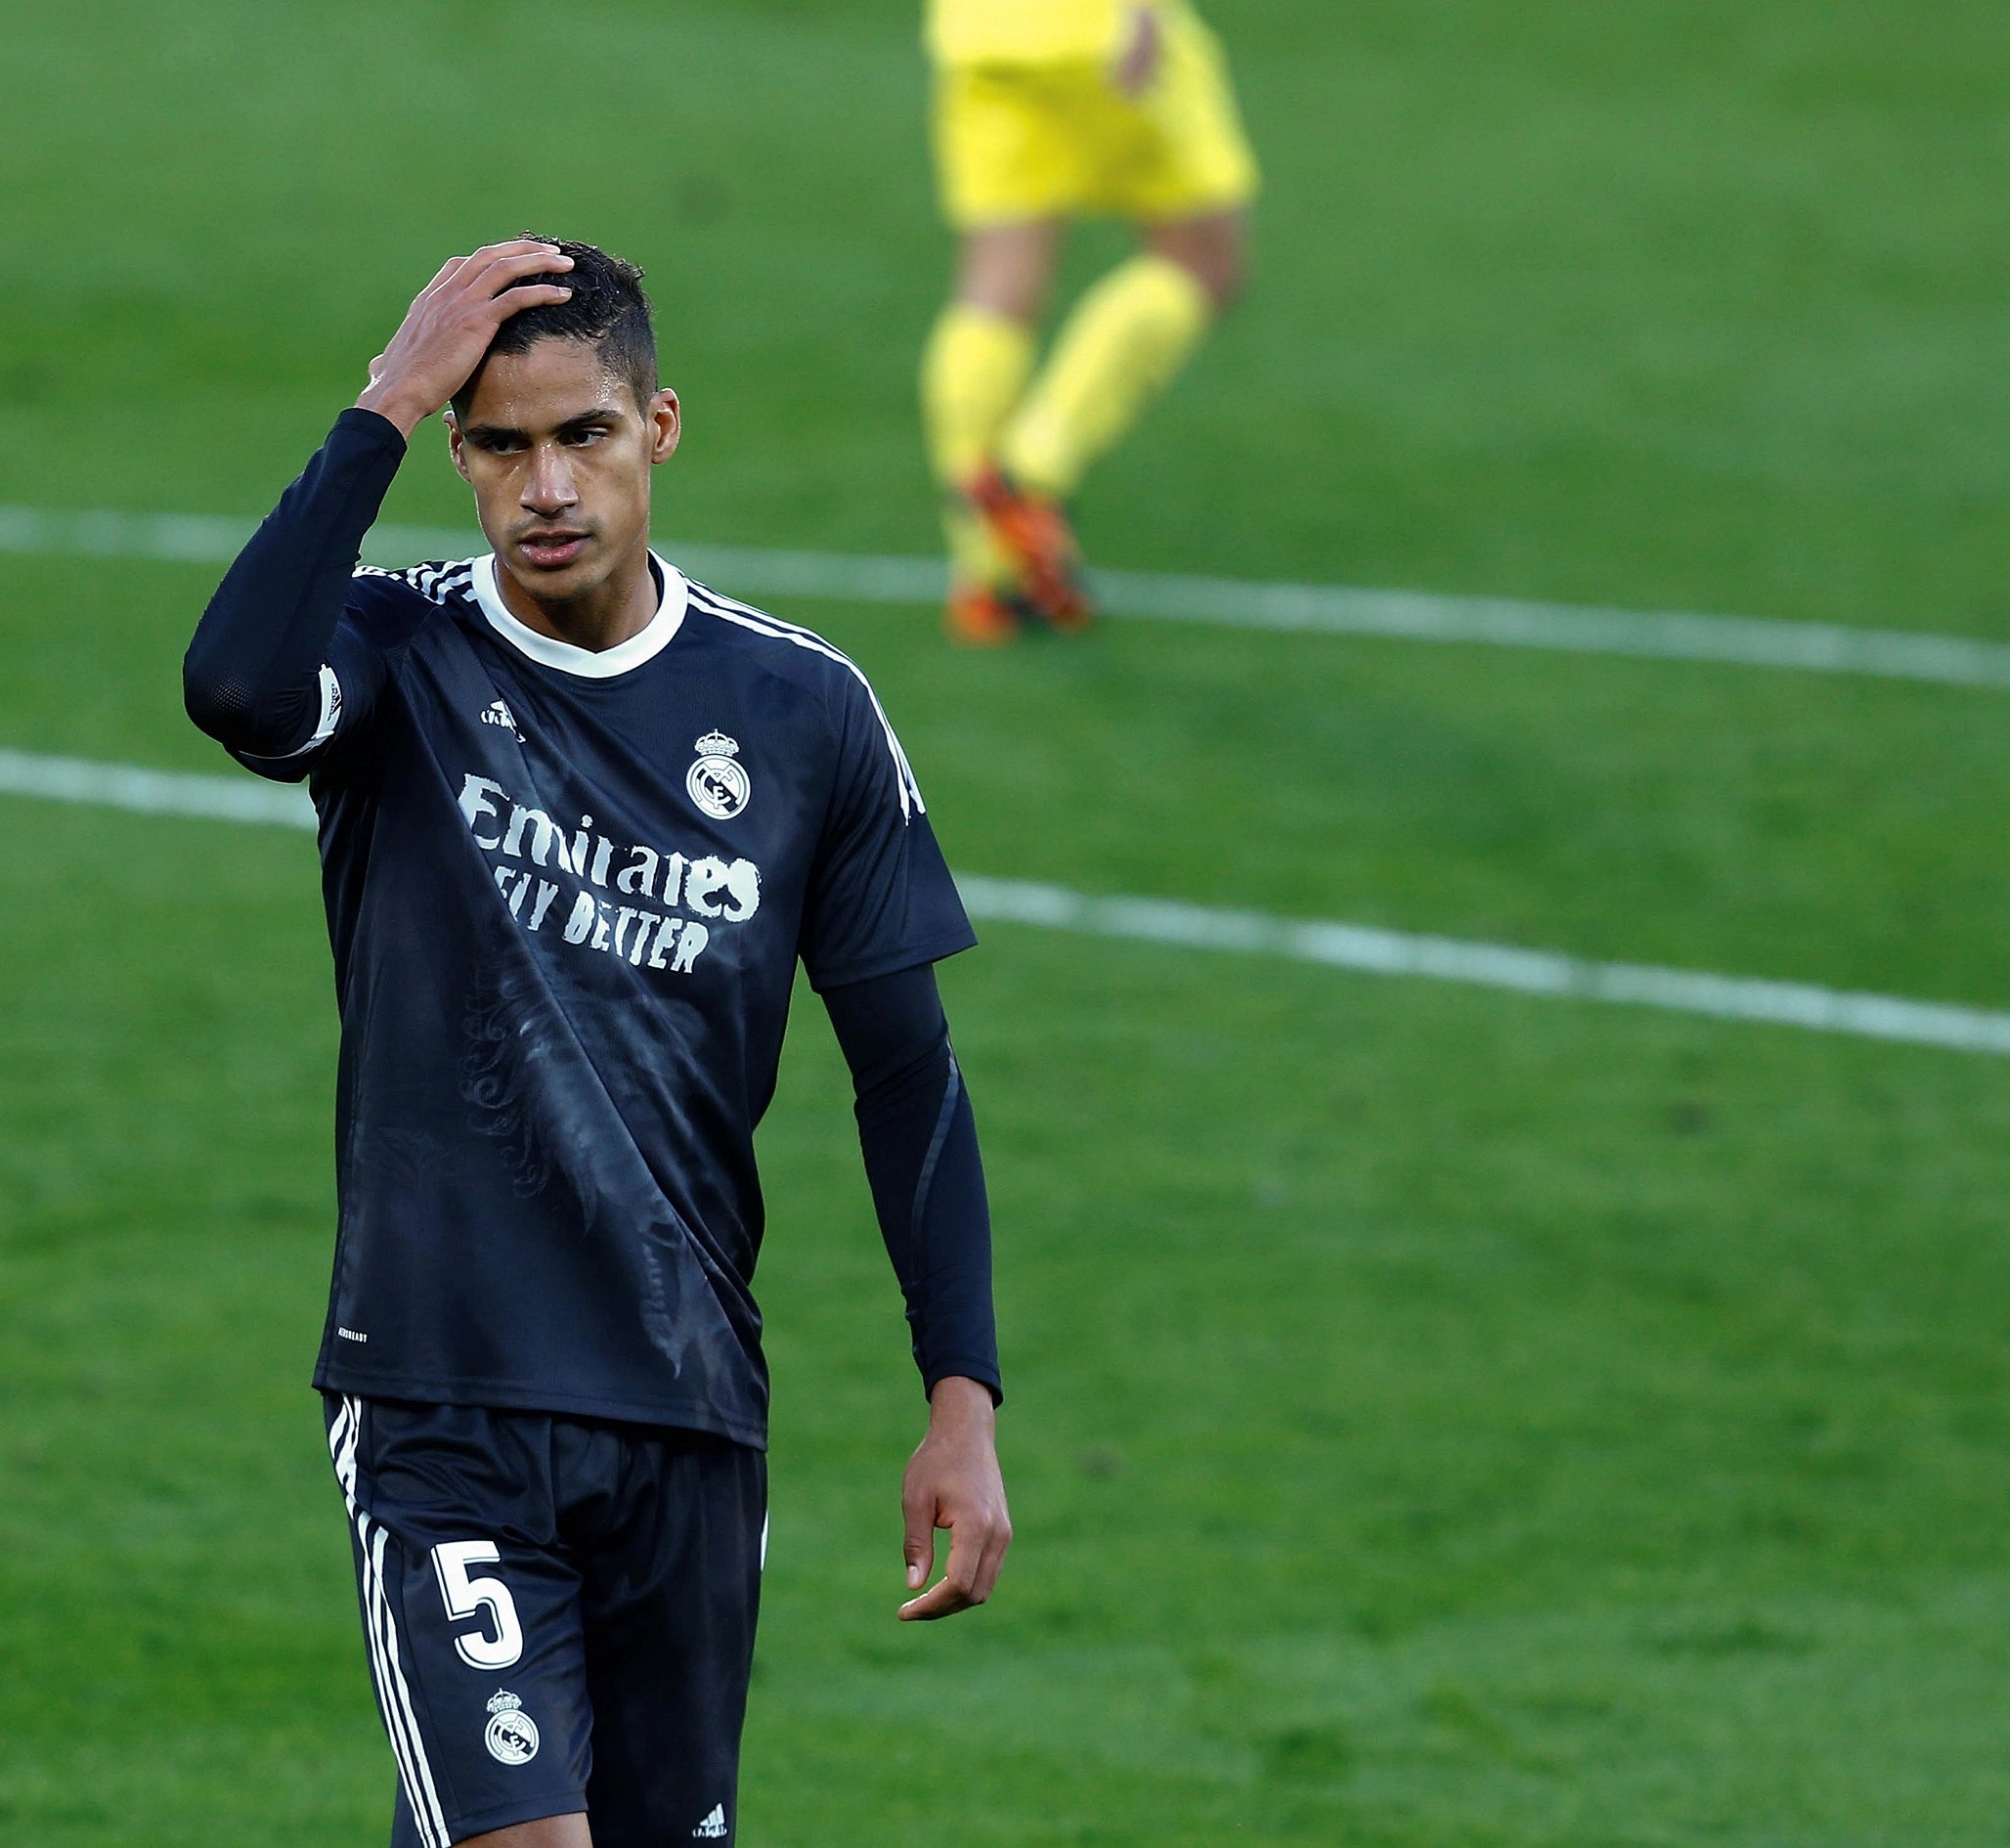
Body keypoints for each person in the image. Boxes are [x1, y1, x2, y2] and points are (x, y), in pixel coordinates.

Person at [183, 239, 1011, 1848]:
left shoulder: (803, 711)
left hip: (689, 1411)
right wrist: (382, 403)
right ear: (459, 455)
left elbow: (909, 1074)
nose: (545, 484)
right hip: (445, 1405)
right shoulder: (396, 657)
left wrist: (960, 1400)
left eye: (585, 435)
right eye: (497, 445)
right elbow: (234, 685)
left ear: (662, 428)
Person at [920, 0, 1259, 641]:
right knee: (1204, 260)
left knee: (994, 283)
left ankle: (987, 568)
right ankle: (1030, 471)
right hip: (1099, 32)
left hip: (982, 38)